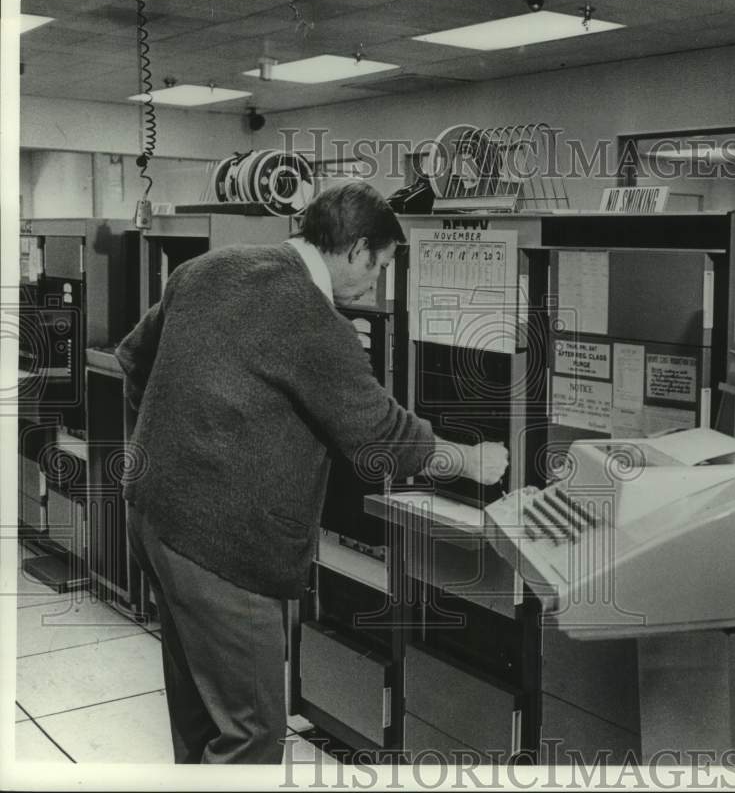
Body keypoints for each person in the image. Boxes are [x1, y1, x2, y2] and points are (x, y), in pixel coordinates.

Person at [115, 181, 508, 764]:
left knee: (201, 711)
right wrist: (476, 461)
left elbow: (134, 357)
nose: (374, 286)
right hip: (224, 546)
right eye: (378, 270)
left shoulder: (209, 269)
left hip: (150, 514)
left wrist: (178, 449)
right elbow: (383, 436)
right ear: (356, 249)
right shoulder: (316, 321)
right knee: (251, 730)